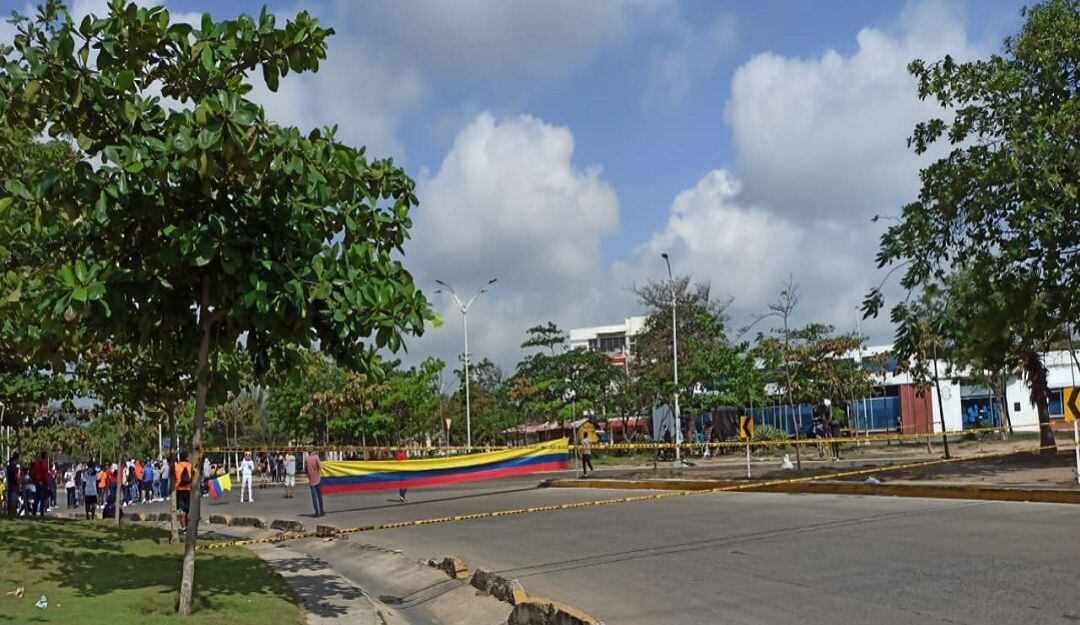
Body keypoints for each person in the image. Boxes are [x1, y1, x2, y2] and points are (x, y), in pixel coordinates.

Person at [174, 451, 193, 530]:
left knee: (181, 510)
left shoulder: (176, 466)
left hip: (179, 490)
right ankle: (189, 527)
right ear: (186, 457)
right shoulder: (190, 466)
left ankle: (183, 527)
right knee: (188, 510)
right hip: (188, 489)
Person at [30, 452, 51, 517]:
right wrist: (48, 485)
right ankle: (41, 513)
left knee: (37, 498)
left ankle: (34, 512)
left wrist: (34, 481)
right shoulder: (44, 464)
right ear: (45, 457)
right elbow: (45, 475)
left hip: (37, 483)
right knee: (42, 499)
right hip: (43, 483)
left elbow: (33, 473)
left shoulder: (36, 464)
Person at [304, 450, 324, 517]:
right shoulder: (316, 457)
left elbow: (306, 469)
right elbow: (320, 467)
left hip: (311, 480)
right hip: (317, 479)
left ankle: (316, 512)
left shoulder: (306, 459)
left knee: (314, 497)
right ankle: (321, 511)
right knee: (319, 496)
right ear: (313, 452)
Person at [5, 452, 22, 518]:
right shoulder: (15, 467)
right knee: (14, 502)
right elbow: (17, 477)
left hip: (10, 486)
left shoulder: (8, 467)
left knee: (10, 501)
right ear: (17, 458)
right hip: (14, 486)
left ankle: (10, 514)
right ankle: (14, 515)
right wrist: (19, 485)